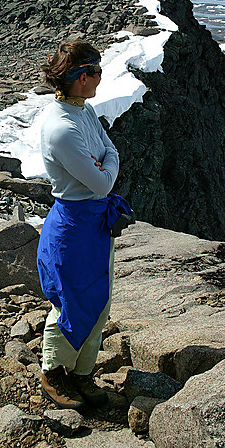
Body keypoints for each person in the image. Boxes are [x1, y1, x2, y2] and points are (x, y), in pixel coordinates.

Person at [37, 39, 132, 411]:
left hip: (92, 222)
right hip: (75, 226)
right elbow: (104, 181)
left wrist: (105, 162)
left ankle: (81, 374)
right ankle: (54, 372)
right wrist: (106, 164)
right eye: (94, 72)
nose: (99, 78)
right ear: (79, 78)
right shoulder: (61, 128)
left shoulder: (83, 112)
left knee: (98, 299)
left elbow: (111, 152)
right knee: (72, 301)